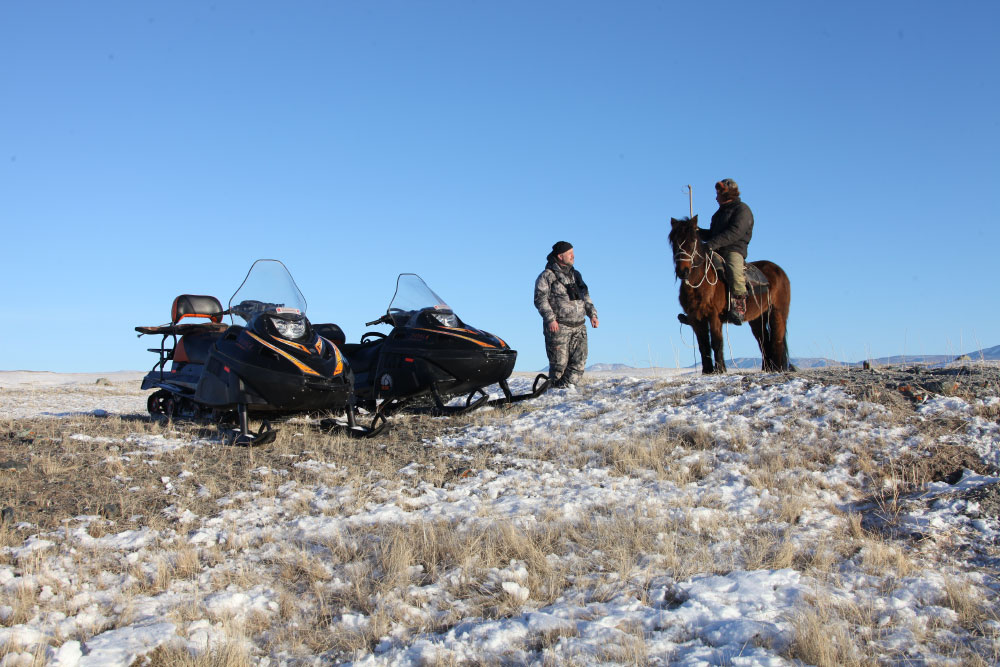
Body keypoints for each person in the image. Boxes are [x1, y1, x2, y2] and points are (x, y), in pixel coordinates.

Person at [534, 241, 599, 389]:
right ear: (560, 256)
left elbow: (586, 297)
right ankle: (553, 395)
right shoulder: (547, 276)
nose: (573, 256)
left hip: (579, 326)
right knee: (559, 365)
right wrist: (550, 319)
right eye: (570, 253)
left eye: (573, 253)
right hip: (559, 327)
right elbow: (540, 299)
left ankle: (565, 391)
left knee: (579, 363)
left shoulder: (576, 275)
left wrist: (592, 315)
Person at [691, 178, 755, 325]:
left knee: (734, 270)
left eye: (718, 193)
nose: (716, 197)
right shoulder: (718, 214)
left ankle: (739, 305)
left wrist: (711, 244)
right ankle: (697, 307)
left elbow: (735, 232)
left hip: (733, 250)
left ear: (727, 194)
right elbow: (713, 233)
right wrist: (697, 231)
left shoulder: (742, 210)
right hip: (716, 249)